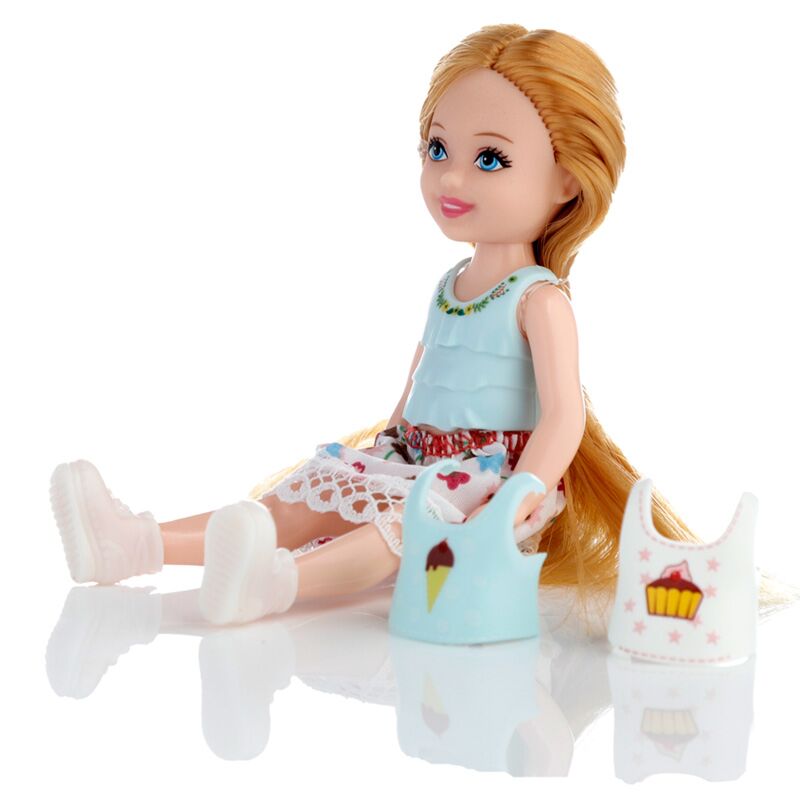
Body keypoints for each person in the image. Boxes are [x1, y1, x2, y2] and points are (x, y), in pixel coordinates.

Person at [49, 25, 791, 628]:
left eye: (489, 159)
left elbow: (563, 415)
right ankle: (136, 543)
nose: (450, 178)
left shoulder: (539, 300)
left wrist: (520, 493)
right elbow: (419, 375)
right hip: (410, 451)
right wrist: (388, 441)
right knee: (301, 498)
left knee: (395, 537)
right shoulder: (449, 286)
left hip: (485, 478)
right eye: (438, 150)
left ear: (567, 179)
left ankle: (275, 584)